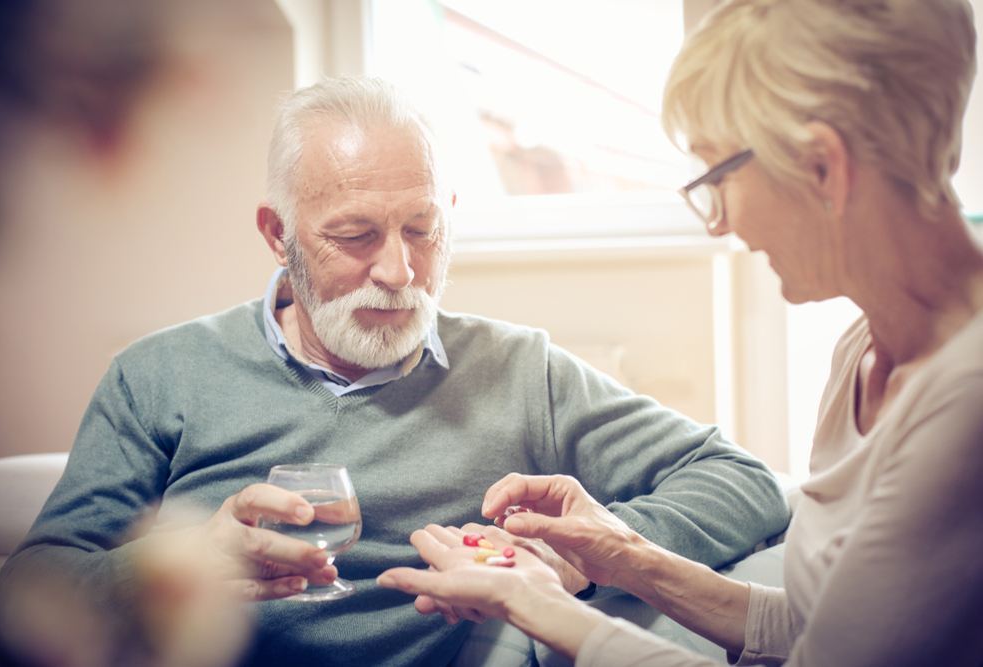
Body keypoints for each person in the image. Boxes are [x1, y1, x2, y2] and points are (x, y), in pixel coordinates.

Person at [0, 76, 789, 667]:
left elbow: (740, 480)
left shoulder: (521, 368)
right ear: (279, 234)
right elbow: (24, 604)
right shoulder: (158, 376)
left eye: (422, 229)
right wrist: (191, 558)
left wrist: (590, 556)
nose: (401, 272)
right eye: (356, 235)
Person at [377, 0, 983, 665]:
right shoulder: (863, 348)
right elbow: (815, 626)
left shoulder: (966, 402)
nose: (717, 223)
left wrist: (535, 601)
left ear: (823, 167)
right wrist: (624, 552)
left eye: (718, 176)